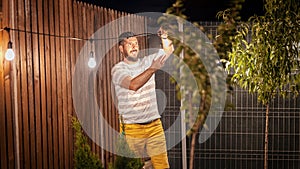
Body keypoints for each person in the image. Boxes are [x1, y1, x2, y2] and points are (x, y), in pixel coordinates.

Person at [111, 30, 174, 169]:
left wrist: (164, 37)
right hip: (132, 129)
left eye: (136, 43)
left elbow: (169, 50)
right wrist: (152, 69)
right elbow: (133, 85)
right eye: (129, 44)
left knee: (163, 166)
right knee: (132, 166)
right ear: (121, 48)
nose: (134, 46)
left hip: (154, 126)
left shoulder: (147, 62)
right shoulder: (118, 70)